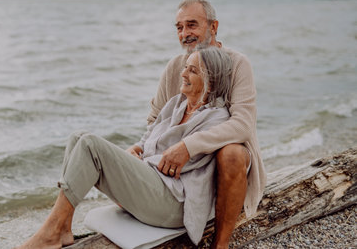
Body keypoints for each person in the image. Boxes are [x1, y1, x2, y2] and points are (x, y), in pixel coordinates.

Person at [15, 46, 235, 248]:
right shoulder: (176, 104)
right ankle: (62, 227)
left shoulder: (216, 118)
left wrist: (139, 163)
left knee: (90, 145)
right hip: (152, 185)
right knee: (77, 138)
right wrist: (136, 150)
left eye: (192, 71)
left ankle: (51, 232)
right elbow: (148, 138)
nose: (183, 74)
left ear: (211, 81)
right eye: (185, 67)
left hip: (174, 203)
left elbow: (174, 166)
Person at [130, 0, 267, 248]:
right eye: (179, 27)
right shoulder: (175, 67)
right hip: (181, 169)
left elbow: (243, 125)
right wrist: (138, 148)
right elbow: (154, 119)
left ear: (213, 27)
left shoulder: (237, 64)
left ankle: (220, 244)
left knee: (233, 153)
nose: (185, 34)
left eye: (192, 25)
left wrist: (188, 146)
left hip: (221, 162)